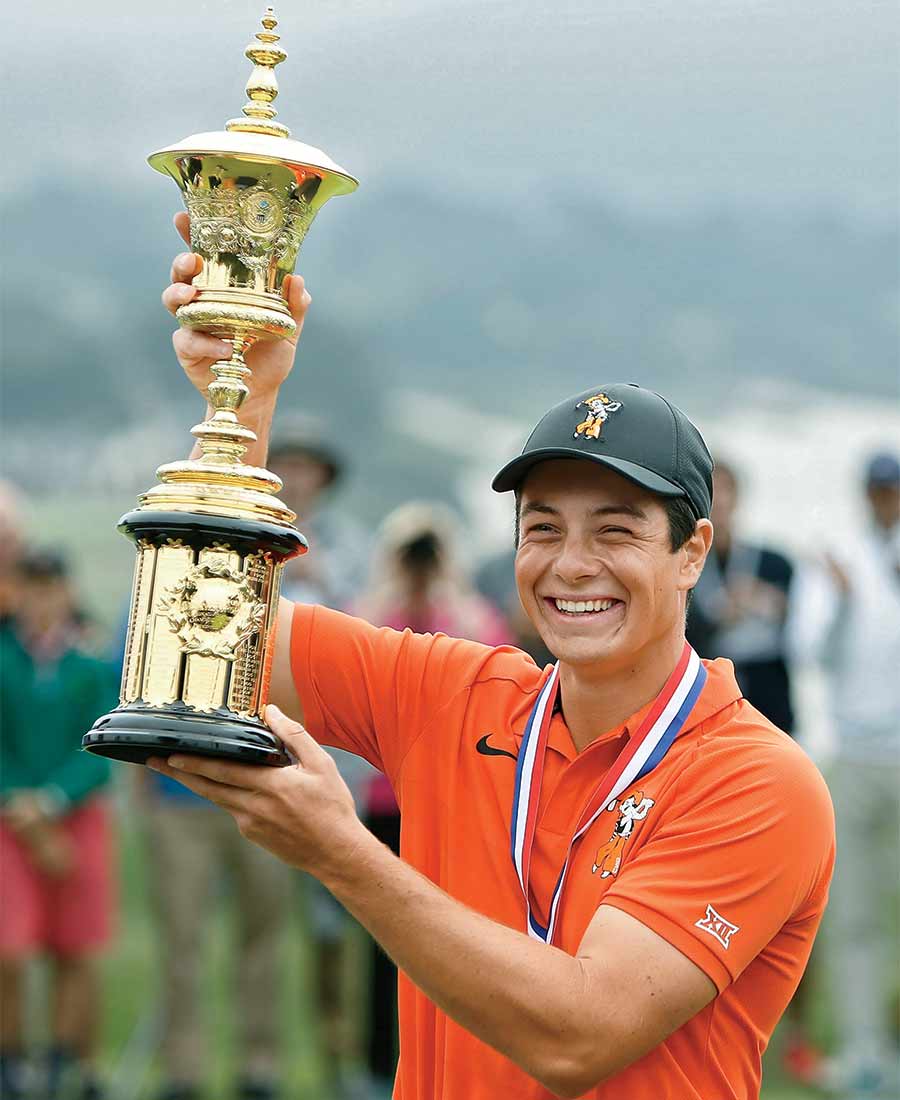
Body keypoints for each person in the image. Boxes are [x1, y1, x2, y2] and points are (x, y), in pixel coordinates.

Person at [150, 225, 835, 1099]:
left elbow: (579, 1037)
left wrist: (343, 852)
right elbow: (209, 633)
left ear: (692, 552)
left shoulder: (756, 780)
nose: (571, 563)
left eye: (616, 529)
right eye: (542, 526)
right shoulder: (458, 695)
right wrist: (241, 398)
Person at [352, 502, 512, 1094]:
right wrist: (392, 586)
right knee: (380, 949)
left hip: (451, 804)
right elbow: (353, 660)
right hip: (387, 801)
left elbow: (496, 668)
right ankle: (377, 1069)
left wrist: (449, 589)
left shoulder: (469, 618)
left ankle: (448, 1065)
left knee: (453, 941)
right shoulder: (373, 616)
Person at [791, 451, 900, 1097]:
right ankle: (864, 1051)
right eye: (878, 491)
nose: (885, 500)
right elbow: (811, 652)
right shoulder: (838, 559)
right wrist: (842, 599)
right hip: (855, 756)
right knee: (854, 913)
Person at [269, 423, 373, 1097]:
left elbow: (373, 624)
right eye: (289, 467)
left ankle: (342, 1057)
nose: (300, 478)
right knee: (267, 919)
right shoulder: (254, 533)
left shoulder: (353, 545)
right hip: (261, 736)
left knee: (339, 911)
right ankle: (270, 1060)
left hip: (335, 745)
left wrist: (321, 574)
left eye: (309, 468)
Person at [0, 551, 117, 1100]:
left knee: (75, 946)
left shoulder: (90, 664)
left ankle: (66, 1061)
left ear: (66, 594)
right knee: (10, 947)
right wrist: (22, 805)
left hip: (76, 817)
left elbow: (100, 745)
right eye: (33, 588)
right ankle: (12, 1058)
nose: (42, 601)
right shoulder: (3, 657)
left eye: (52, 590)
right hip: (8, 819)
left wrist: (50, 802)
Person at [687, 460, 796, 734]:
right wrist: (719, 616)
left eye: (727, 490)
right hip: (709, 695)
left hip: (768, 695)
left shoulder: (775, 563)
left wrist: (768, 602)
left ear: (738, 497)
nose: (719, 501)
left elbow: (802, 629)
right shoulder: (682, 563)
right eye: (712, 492)